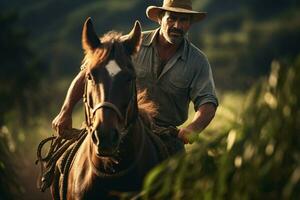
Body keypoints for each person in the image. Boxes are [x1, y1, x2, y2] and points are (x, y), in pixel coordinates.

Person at [52, 0, 218, 155]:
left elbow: (207, 102)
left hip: (167, 136)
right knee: (63, 164)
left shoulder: (197, 62)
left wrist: (193, 129)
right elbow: (92, 75)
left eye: (184, 20)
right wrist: (66, 111)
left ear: (190, 24)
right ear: (160, 19)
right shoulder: (126, 49)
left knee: (181, 182)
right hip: (119, 124)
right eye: (172, 18)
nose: (177, 25)